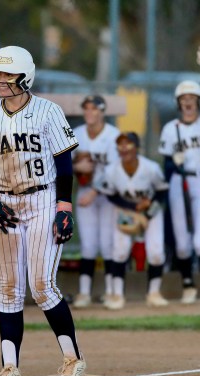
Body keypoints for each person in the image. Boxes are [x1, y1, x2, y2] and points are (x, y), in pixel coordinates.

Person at [0, 45, 86, 376]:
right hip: (4, 202)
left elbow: (64, 162)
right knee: (8, 289)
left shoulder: (48, 111)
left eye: (7, 74)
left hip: (43, 197)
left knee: (43, 285)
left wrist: (65, 207)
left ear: (25, 76)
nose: (0, 81)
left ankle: (73, 359)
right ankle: (9, 367)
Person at [158, 45, 200, 305]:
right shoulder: (170, 129)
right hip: (177, 182)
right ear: (178, 103)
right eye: (184, 99)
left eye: (192, 99)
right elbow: (166, 165)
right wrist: (175, 164)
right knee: (182, 242)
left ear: (198, 102)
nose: (188, 103)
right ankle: (187, 285)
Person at [98, 132, 169, 309]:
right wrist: (132, 212)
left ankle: (153, 293)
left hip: (150, 210)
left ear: (137, 147)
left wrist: (147, 213)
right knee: (120, 251)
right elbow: (111, 196)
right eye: (120, 144)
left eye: (128, 144)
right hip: (124, 209)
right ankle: (117, 295)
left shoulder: (150, 167)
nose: (124, 148)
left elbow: (162, 192)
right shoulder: (111, 170)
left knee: (156, 252)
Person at [70, 94, 120, 308]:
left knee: (107, 244)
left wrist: (94, 191)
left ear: (102, 111)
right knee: (89, 245)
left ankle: (110, 291)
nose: (89, 112)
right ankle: (84, 292)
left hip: (107, 195)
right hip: (84, 191)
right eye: (86, 108)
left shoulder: (114, 135)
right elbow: (62, 162)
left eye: (94, 108)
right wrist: (75, 167)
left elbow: (114, 171)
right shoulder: (76, 134)